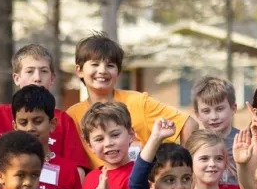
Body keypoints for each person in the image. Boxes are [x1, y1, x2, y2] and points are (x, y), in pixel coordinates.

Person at [66, 33, 192, 167]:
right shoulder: (72, 116)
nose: (102, 70)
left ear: (119, 73)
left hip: (139, 183)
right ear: (79, 70)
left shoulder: (138, 102)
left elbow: (188, 124)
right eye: (95, 64)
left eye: (110, 65)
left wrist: (187, 171)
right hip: (99, 185)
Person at [0, 44, 89, 184]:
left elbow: (77, 168)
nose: (37, 78)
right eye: (30, 71)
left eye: (44, 71)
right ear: (16, 78)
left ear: (52, 79)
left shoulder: (63, 119)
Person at [191, 76, 240, 185]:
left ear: (233, 108)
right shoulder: (194, 144)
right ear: (197, 114)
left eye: (219, 109)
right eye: (206, 111)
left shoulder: (243, 141)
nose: (213, 117)